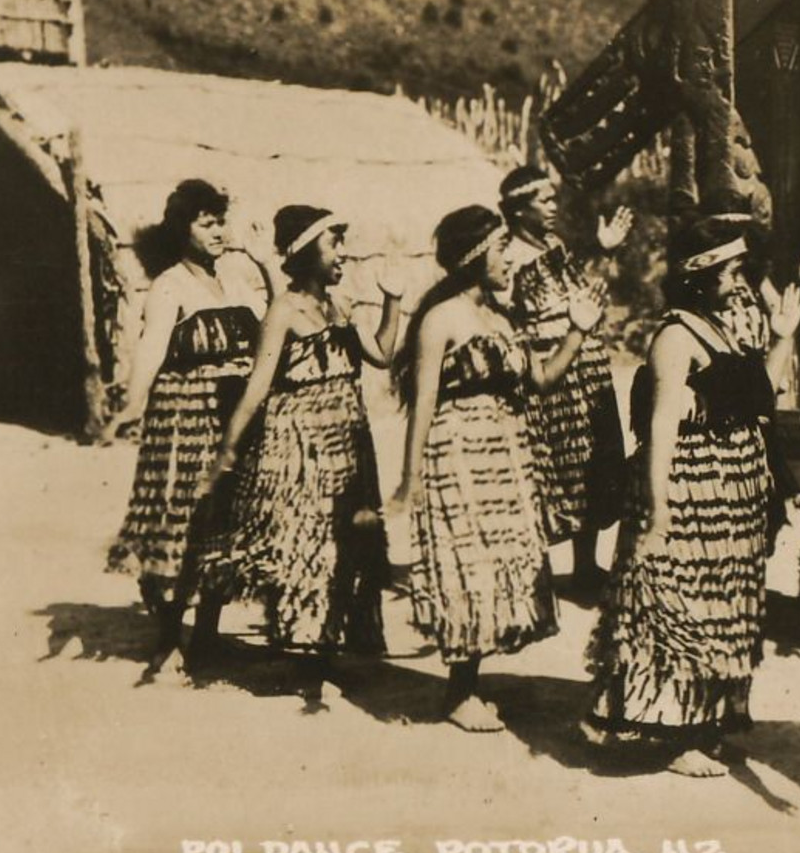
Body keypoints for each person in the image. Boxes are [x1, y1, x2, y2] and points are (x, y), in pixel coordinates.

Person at [585, 216, 800, 778]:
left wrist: (781, 337)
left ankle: (704, 722)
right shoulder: (676, 336)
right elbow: (660, 426)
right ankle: (671, 732)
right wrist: (657, 510)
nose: (740, 281)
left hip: (731, 491)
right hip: (688, 486)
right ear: (702, 276)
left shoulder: (724, 328)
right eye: (733, 271)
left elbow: (760, 397)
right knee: (675, 606)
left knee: (718, 605)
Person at [391, 204, 606, 733]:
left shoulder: (505, 318)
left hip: (507, 451)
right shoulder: (441, 320)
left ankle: (468, 683)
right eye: (499, 250)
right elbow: (422, 404)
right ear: (473, 257)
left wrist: (577, 332)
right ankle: (458, 692)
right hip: (457, 449)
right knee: (467, 565)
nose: (509, 259)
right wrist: (408, 481)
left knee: (500, 562)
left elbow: (541, 381)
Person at [201, 205, 403, 695]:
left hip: (348, 442)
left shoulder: (341, 307)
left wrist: (393, 301)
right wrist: (228, 449)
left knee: (345, 548)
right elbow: (257, 388)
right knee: (308, 549)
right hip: (300, 449)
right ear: (306, 250)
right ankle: (309, 667)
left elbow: (382, 355)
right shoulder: (283, 311)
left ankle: (326, 651)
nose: (343, 254)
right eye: (334, 243)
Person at [102, 179, 266, 657]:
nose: (218, 231)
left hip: (232, 417)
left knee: (226, 523)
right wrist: (131, 407)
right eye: (206, 222)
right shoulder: (170, 285)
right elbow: (150, 353)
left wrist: (261, 261)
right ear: (183, 228)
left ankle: (210, 633)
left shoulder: (235, 281)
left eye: (220, 221)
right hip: (186, 420)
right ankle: (170, 641)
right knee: (183, 525)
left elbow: (275, 323)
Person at [497, 166, 633, 592]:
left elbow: (585, 293)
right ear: (519, 211)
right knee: (551, 465)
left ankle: (585, 565)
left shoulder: (554, 244)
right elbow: (506, 315)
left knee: (593, 460)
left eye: (554, 198)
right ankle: (534, 572)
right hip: (550, 365)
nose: (554, 206)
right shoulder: (506, 259)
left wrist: (604, 250)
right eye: (545, 200)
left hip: (587, 363)